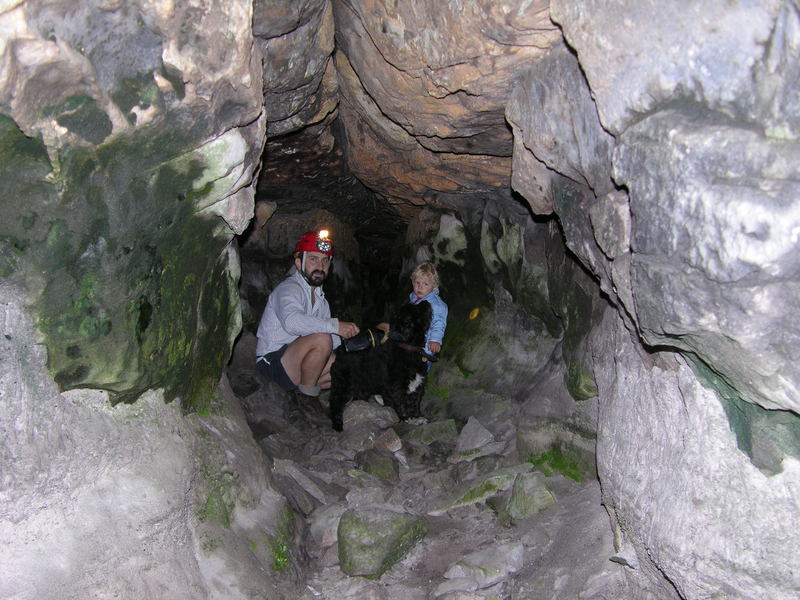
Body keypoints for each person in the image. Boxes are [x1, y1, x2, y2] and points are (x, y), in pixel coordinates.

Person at [255, 230, 359, 418]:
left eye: (325, 261)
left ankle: (298, 392)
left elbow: (334, 343)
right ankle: (307, 399)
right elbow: (293, 323)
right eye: (313, 259)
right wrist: (336, 326)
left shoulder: (321, 300)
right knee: (321, 338)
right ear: (298, 262)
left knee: (343, 366)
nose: (320, 266)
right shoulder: (289, 289)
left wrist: (355, 341)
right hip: (271, 364)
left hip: (292, 364)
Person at [408, 261, 448, 366]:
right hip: (412, 343)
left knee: (421, 370)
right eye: (417, 283)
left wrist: (435, 340)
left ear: (434, 287)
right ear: (412, 282)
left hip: (426, 348)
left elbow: (439, 323)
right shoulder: (414, 297)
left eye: (425, 284)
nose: (420, 287)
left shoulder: (437, 305)